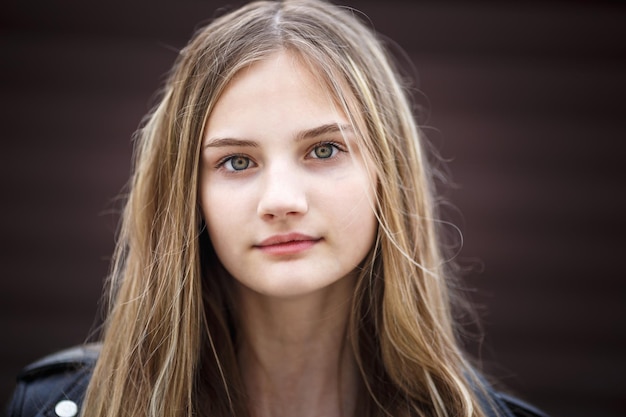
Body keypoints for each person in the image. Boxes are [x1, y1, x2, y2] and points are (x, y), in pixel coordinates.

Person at [6, 1, 549, 417]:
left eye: (325, 150)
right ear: (186, 194)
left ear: (390, 174)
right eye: (237, 162)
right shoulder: (62, 407)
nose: (282, 201)